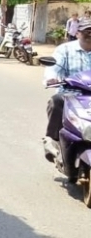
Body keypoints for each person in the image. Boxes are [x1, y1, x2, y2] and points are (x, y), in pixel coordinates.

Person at [43, 18, 91, 160]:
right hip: (71, 94)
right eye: (87, 31)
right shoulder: (64, 50)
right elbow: (53, 68)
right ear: (77, 33)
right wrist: (52, 78)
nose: (90, 34)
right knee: (56, 101)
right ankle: (52, 139)